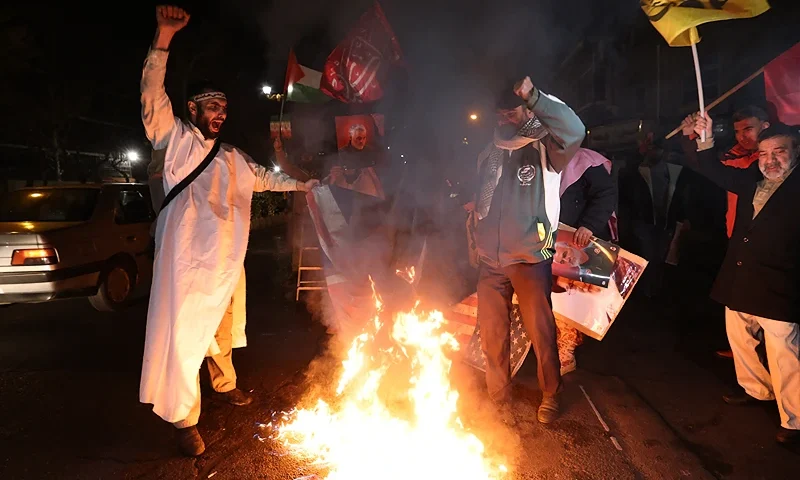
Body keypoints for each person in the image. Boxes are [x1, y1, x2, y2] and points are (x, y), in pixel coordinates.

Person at [138, 5, 319, 457]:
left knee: (221, 335)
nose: (220, 113)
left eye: (224, 107)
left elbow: (268, 178)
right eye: (212, 106)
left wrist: (305, 184)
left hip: (225, 266)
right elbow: (151, 94)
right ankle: (185, 420)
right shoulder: (174, 138)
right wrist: (163, 39)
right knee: (184, 342)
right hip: (185, 269)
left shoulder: (232, 158)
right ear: (193, 109)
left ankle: (226, 386)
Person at [681, 112, 800, 445]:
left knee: (785, 353)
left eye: (779, 152)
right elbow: (714, 170)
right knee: (740, 338)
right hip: (742, 275)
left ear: (795, 152)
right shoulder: (751, 177)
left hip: (781, 282)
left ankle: (795, 419)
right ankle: (757, 389)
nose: (770, 160)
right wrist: (703, 137)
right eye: (764, 153)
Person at [473, 76, 585, 424]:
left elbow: (575, 129)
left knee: (541, 330)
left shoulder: (547, 148)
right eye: (500, 115)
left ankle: (551, 393)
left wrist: (534, 96)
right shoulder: (490, 152)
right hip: (491, 259)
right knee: (492, 331)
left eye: (512, 112)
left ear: (526, 112)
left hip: (530, 254)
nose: (505, 120)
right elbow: (483, 197)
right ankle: (498, 394)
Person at [556, 148, 617, 374]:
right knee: (552, 297)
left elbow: (606, 194)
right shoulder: (542, 158)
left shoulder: (587, 161)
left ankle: (566, 352)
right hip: (550, 240)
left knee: (572, 298)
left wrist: (589, 224)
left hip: (579, 240)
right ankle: (553, 345)